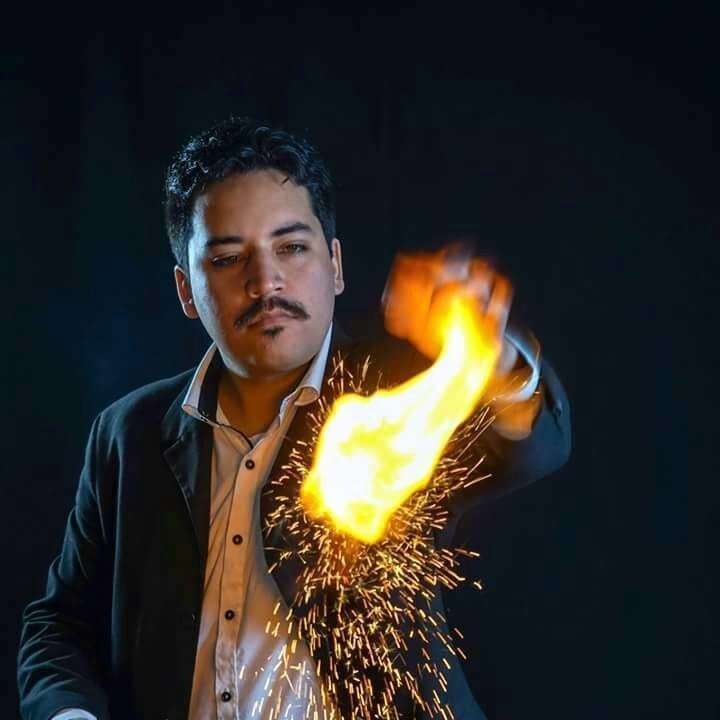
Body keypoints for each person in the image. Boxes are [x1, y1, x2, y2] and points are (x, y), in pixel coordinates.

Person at [17, 117, 571, 720]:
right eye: (229, 258)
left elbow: (531, 443)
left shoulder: (394, 399)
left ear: (335, 265)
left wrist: (493, 359)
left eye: (292, 247)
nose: (265, 281)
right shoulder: (129, 434)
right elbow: (62, 623)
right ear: (186, 290)